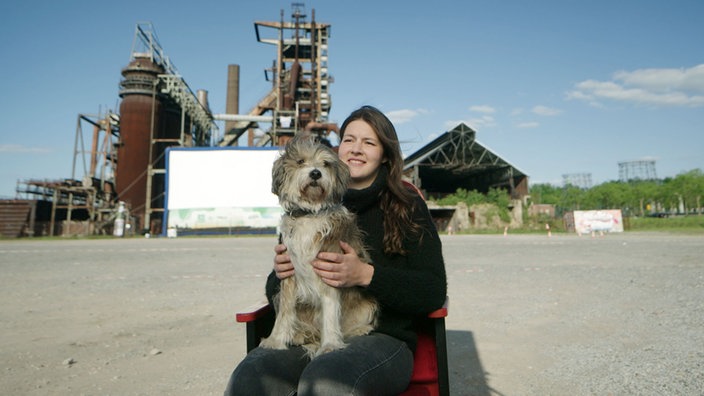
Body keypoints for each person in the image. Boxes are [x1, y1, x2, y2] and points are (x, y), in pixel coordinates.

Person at [224, 105, 447, 395]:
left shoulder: (407, 206)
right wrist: (280, 273)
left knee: (327, 383)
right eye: (349, 140)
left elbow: (432, 290)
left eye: (369, 143)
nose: (356, 149)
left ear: (385, 156)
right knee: (249, 378)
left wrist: (366, 275)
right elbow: (279, 290)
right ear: (338, 148)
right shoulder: (301, 210)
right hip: (308, 331)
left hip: (381, 335)